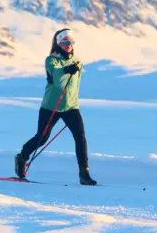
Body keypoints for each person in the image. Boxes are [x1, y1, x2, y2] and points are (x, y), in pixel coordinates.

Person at [14, 28, 97, 185]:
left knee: (80, 138)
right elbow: (57, 81)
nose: (69, 45)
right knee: (42, 137)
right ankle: (23, 156)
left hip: (71, 107)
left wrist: (72, 99)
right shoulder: (51, 60)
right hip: (51, 106)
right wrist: (66, 70)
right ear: (59, 43)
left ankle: (84, 174)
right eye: (65, 42)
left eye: (71, 42)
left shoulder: (77, 61)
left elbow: (75, 85)